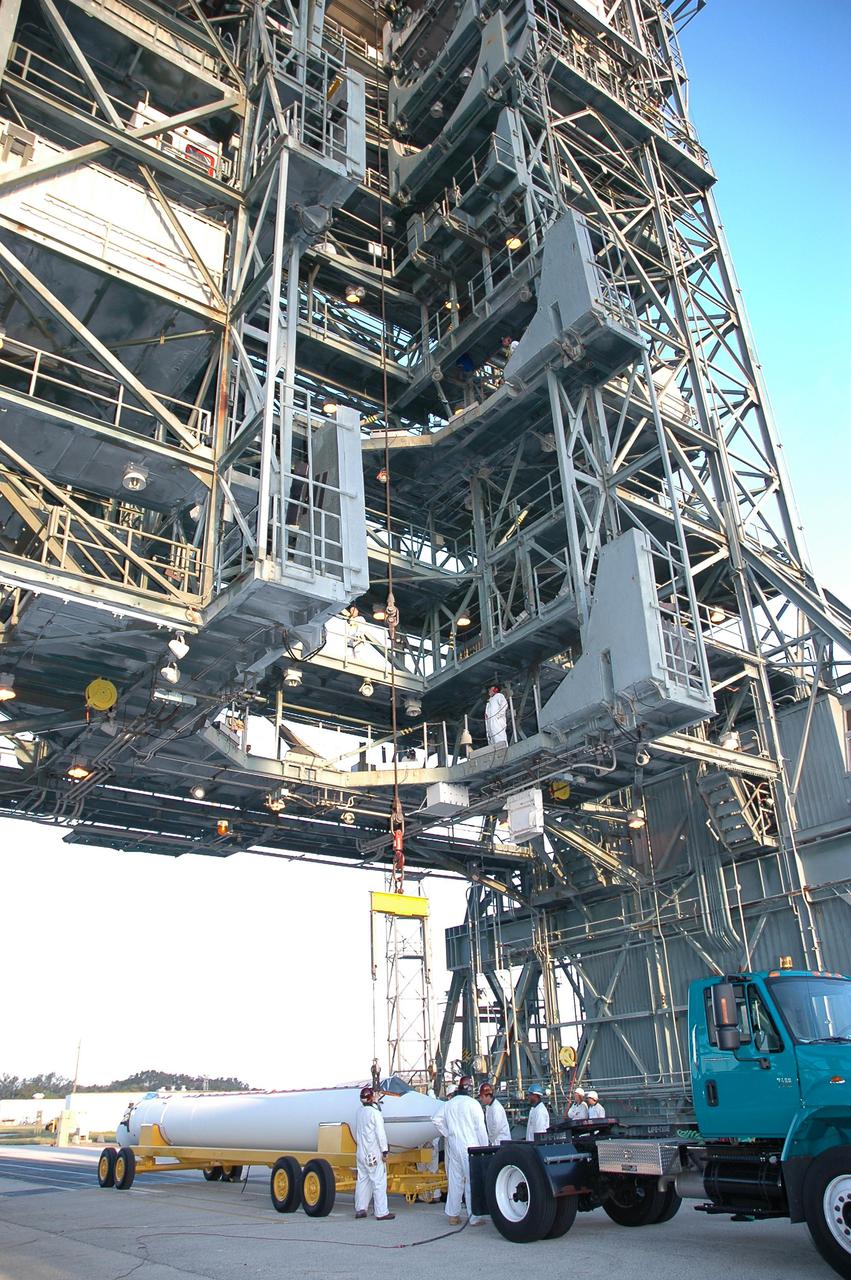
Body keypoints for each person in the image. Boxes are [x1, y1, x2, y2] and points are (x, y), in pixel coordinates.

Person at [433, 1075, 489, 1225]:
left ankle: (453, 1215)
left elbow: (436, 1119)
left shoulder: (449, 1104)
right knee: (472, 1180)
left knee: (455, 1180)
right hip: (470, 1147)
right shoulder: (473, 1104)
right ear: (470, 1088)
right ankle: (474, 1217)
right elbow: (480, 1129)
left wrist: (447, 1133)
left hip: (454, 1145)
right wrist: (484, 1149)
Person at [354, 1086, 395, 1220]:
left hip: (361, 1153)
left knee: (362, 1180)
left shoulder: (359, 1112)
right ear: (371, 1098)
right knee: (378, 1182)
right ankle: (381, 1212)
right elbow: (380, 1133)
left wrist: (374, 1102)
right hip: (373, 1153)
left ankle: (361, 1209)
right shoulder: (375, 1113)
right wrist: (384, 1151)